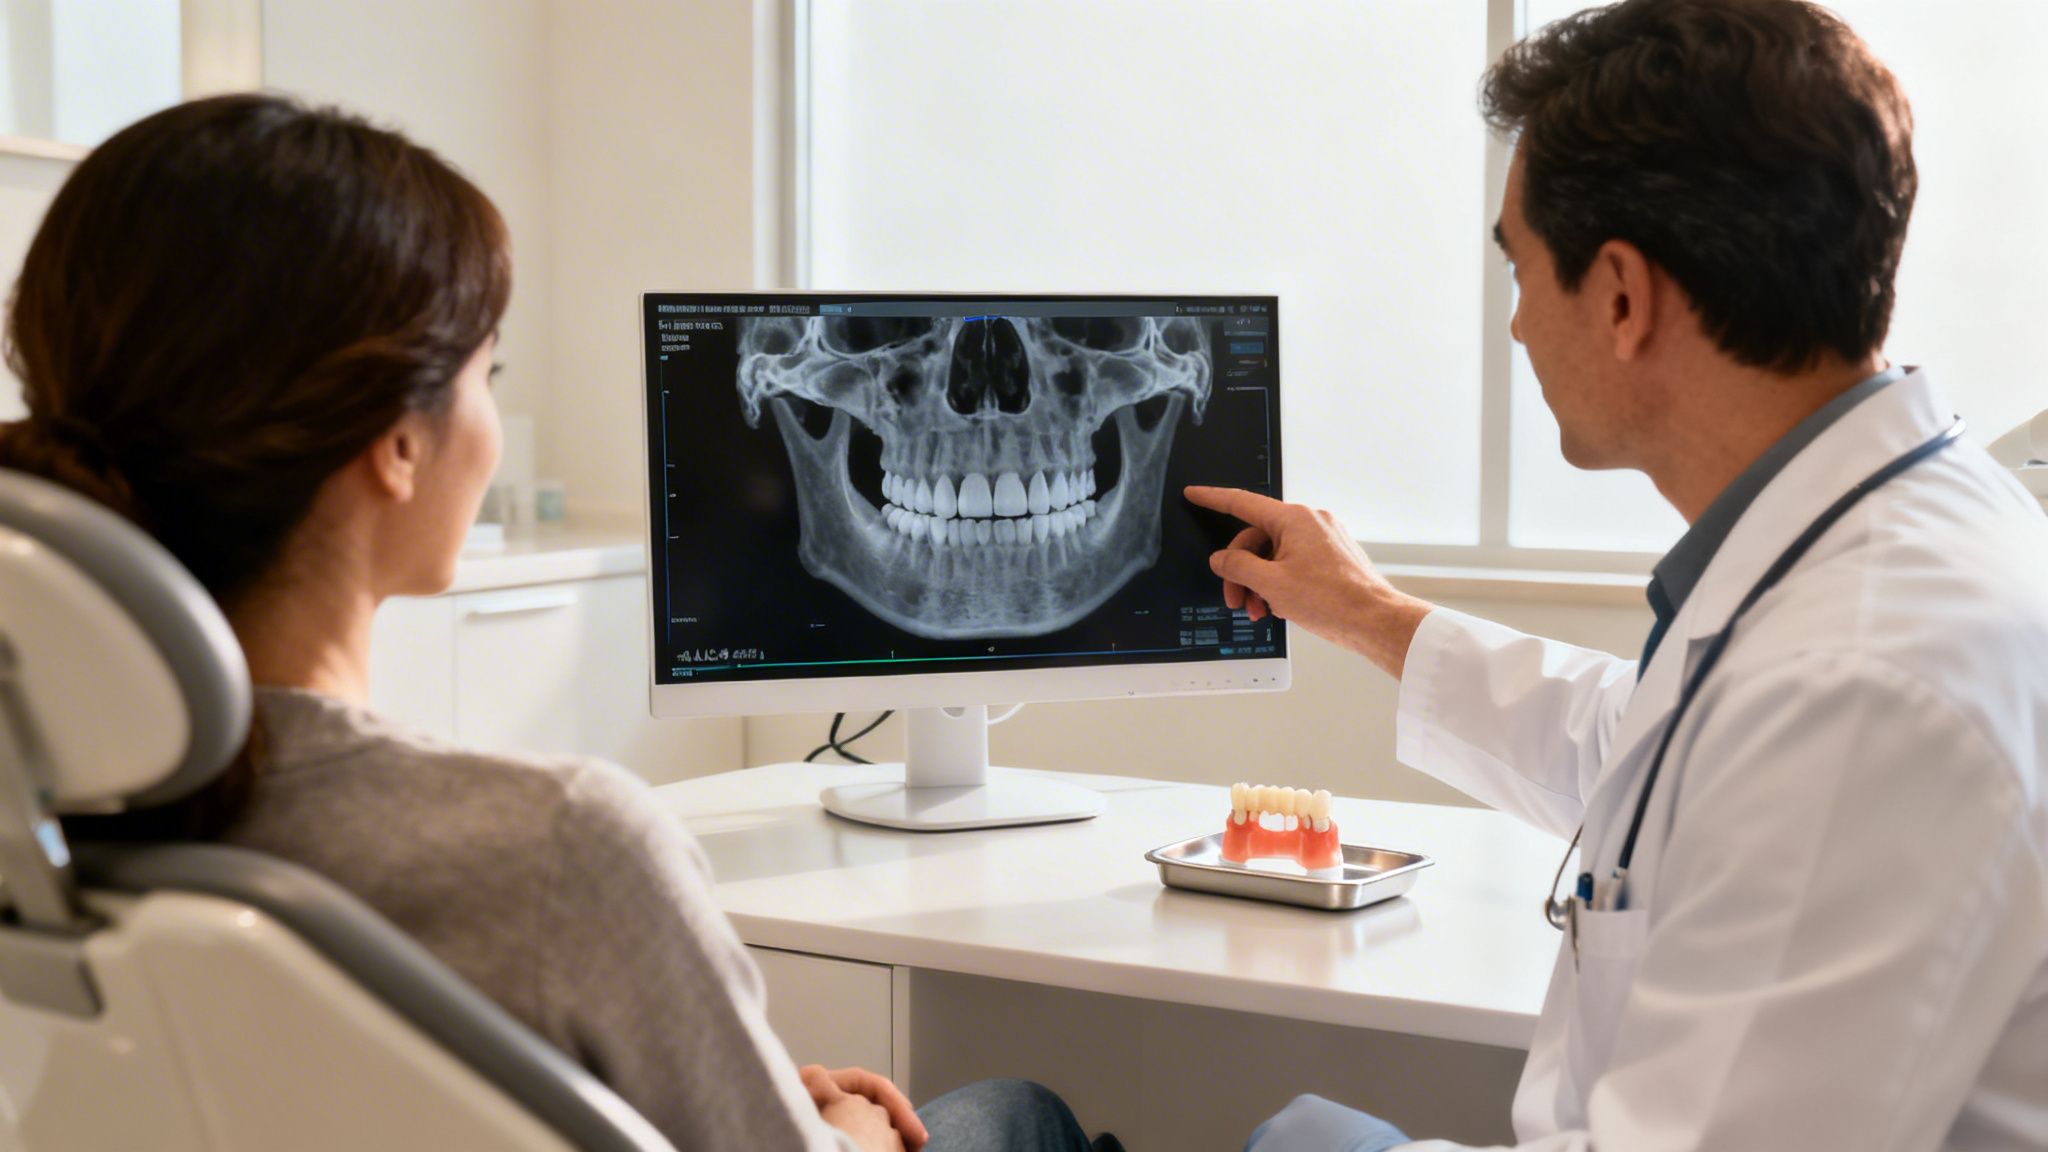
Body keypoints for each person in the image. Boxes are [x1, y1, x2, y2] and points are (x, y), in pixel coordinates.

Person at [0, 93, 1108, 1152]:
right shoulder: (559, 850)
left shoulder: (35, 836)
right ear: (397, 442)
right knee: (1019, 1113)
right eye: (490, 371)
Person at [1190, 1, 2048, 1149]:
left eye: (1520, 272)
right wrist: (1365, 612)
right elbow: (1652, 750)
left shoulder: (1864, 688)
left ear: (1621, 297)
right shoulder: (1888, 538)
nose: (1513, 329)